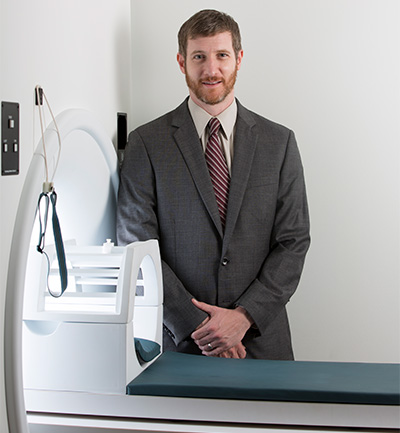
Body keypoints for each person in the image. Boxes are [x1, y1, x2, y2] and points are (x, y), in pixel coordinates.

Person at [117, 9, 310, 360]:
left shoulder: (279, 143)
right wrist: (202, 328)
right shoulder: (146, 144)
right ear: (181, 62)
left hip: (263, 343)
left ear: (238, 58)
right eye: (198, 57)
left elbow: (293, 241)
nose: (211, 70)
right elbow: (136, 245)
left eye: (221, 55)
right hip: (180, 346)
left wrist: (242, 318)